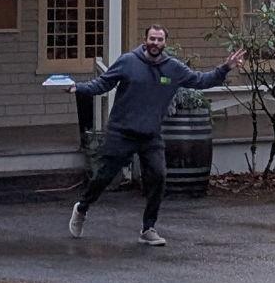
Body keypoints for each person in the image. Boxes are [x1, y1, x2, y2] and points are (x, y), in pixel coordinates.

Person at [68, 25, 244, 244]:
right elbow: (103, 83)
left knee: (159, 177)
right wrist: (79, 87)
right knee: (104, 177)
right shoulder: (128, 61)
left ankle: (148, 228)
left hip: (150, 135)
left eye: (159, 40)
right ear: (145, 40)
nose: (155, 43)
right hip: (121, 132)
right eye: (152, 39)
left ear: (165, 43)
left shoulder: (173, 68)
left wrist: (225, 67)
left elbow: (201, 81)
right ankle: (82, 208)